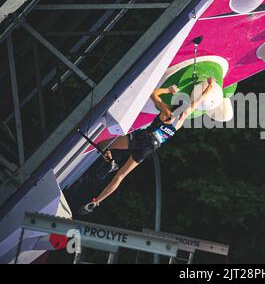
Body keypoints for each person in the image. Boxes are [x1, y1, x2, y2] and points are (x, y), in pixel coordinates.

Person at [79, 77, 216, 214]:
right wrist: (210, 88)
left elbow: (153, 94)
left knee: (102, 145)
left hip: (141, 138)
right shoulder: (181, 120)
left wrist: (168, 90)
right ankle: (96, 202)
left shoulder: (167, 112)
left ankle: (110, 161)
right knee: (120, 176)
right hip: (149, 149)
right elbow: (197, 102)